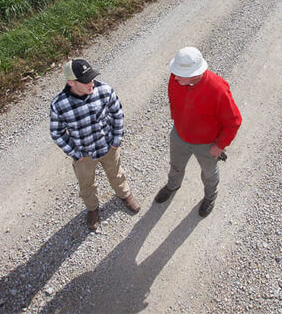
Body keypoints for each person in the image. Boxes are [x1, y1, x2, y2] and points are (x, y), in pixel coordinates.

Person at [50, 58, 140, 231]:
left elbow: (117, 114)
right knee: (86, 185)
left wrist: (116, 140)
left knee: (116, 174)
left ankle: (124, 194)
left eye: (91, 77)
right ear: (71, 83)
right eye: (85, 81)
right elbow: (57, 132)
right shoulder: (59, 105)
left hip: (108, 147)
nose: (91, 83)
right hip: (84, 155)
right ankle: (92, 209)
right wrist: (76, 153)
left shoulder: (104, 90)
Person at [154, 47, 242, 217]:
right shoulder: (176, 78)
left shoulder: (218, 89)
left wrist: (220, 145)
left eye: (180, 73)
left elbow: (234, 121)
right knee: (176, 166)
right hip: (179, 135)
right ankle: (173, 185)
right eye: (175, 72)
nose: (174, 76)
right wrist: (177, 122)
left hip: (206, 144)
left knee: (209, 173)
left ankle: (210, 196)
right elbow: (173, 100)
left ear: (195, 73)